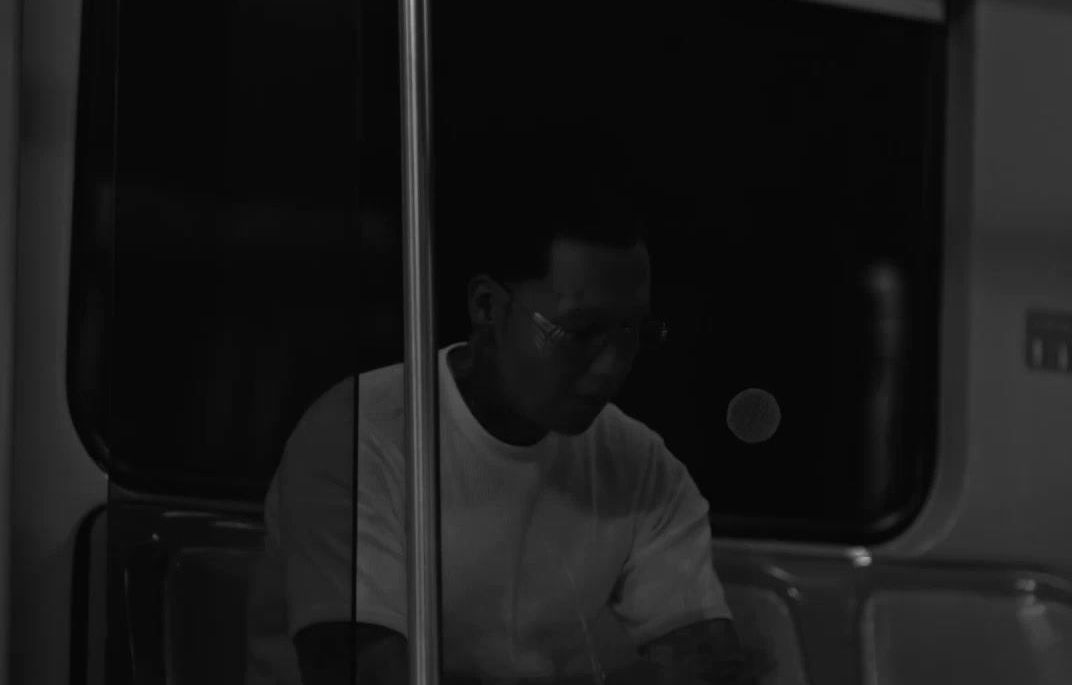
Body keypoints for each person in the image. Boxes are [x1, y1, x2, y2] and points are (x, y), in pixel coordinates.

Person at [245, 143, 754, 685]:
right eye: (580, 333)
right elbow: (365, 673)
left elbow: (707, 666)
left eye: (633, 333)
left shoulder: (641, 466)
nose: (611, 368)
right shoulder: (360, 438)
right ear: (487, 306)